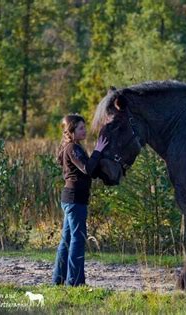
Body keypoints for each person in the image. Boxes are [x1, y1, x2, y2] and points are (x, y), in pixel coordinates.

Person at [52, 113, 108, 286]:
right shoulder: (72, 148)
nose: (85, 131)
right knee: (77, 239)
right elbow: (87, 169)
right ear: (72, 131)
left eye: (84, 127)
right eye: (81, 128)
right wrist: (98, 150)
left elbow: (90, 168)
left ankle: (59, 279)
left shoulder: (74, 147)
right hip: (75, 200)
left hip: (72, 199)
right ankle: (75, 282)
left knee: (67, 240)